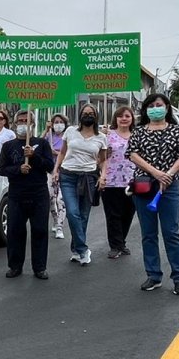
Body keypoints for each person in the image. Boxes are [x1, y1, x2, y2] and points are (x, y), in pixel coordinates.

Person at [128, 95, 179, 295]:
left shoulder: (178, 131)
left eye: (159, 105)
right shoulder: (138, 131)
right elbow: (133, 154)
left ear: (166, 108)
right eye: (151, 106)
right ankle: (153, 275)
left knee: (171, 233)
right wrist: (156, 173)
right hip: (144, 186)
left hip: (170, 186)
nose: (155, 109)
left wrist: (168, 175)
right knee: (148, 234)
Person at [0, 109, 55, 280]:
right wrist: (18, 169)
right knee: (15, 231)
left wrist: (34, 156)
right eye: (20, 121)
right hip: (16, 195)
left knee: (39, 230)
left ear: (33, 124)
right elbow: (1, 169)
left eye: (26, 121)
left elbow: (49, 166)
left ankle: (39, 267)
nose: (23, 124)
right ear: (15, 124)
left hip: (38, 194)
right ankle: (15, 266)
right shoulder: (8, 146)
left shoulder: (42, 144)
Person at [53, 103, 108, 266]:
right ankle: (84, 249)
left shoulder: (101, 137)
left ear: (96, 116)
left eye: (91, 113)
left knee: (83, 215)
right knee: (72, 212)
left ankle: (76, 250)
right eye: (85, 113)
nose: (88, 115)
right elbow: (62, 152)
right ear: (80, 115)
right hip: (68, 176)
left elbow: (103, 160)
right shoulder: (70, 131)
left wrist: (103, 176)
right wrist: (56, 170)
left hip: (89, 178)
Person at [100, 106, 137, 260]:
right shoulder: (108, 136)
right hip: (111, 181)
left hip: (133, 181)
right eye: (120, 116)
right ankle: (115, 245)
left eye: (127, 116)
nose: (124, 119)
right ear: (115, 119)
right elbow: (101, 158)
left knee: (128, 213)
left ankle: (121, 242)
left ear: (132, 119)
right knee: (113, 214)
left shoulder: (137, 136)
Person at [43, 114, 69, 240]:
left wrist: (57, 153)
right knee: (51, 199)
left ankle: (60, 226)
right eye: (56, 122)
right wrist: (46, 130)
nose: (58, 124)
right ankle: (55, 219)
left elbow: (70, 153)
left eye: (61, 122)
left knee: (61, 200)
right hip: (50, 172)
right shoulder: (49, 137)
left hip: (64, 171)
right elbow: (38, 144)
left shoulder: (67, 137)